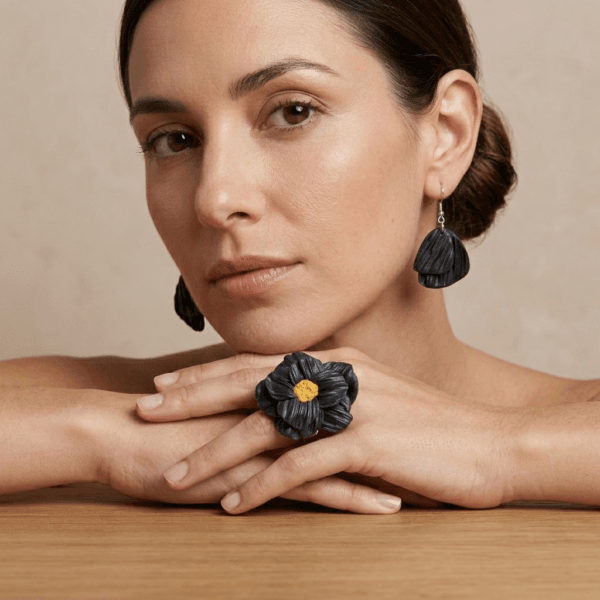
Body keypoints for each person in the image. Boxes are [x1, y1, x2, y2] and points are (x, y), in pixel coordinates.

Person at [1, 0, 599, 514]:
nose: (214, 200)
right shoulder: (115, 408)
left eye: (293, 111)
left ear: (446, 133)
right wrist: (98, 438)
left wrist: (495, 450)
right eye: (174, 140)